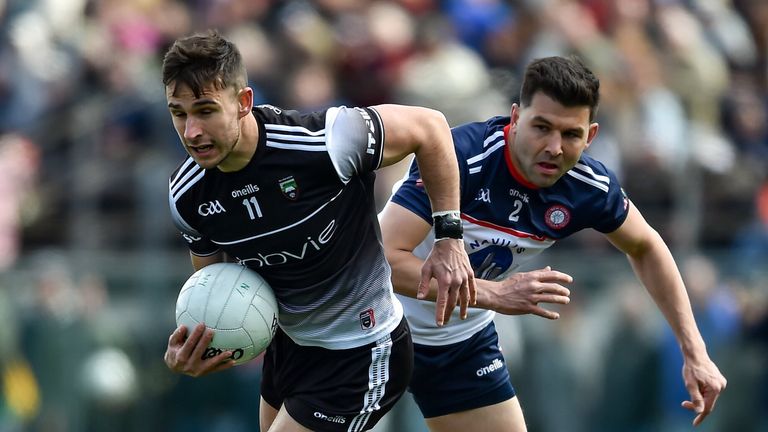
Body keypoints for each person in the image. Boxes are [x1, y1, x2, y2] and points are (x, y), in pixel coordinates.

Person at [378, 56, 727, 431]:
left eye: (571, 134)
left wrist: (695, 352)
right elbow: (383, 262)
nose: (554, 147)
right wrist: (494, 294)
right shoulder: (461, 156)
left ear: (590, 135)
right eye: (541, 127)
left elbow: (646, 247)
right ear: (515, 117)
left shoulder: (589, 188)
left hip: (458, 343)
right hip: (372, 324)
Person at [160, 30, 476, 432]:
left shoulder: (326, 141)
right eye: (179, 113)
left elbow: (430, 128)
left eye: (205, 110)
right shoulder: (186, 197)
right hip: (288, 351)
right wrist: (196, 348)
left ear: (243, 103)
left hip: (364, 350)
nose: (192, 132)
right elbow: (213, 292)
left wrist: (449, 238)